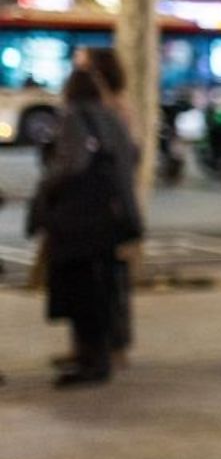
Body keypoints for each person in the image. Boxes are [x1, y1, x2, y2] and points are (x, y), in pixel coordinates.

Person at [26, 67, 140, 388]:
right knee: (102, 288)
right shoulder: (110, 117)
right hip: (109, 219)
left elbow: (70, 165)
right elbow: (132, 154)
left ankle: (90, 360)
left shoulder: (74, 117)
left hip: (79, 224)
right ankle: (99, 354)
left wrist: (48, 187)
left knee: (81, 290)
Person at [71, 46, 136, 368]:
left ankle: (114, 344)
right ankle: (94, 345)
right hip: (101, 204)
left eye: (84, 66)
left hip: (109, 205)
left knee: (110, 277)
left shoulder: (113, 108)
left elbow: (122, 160)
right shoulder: (96, 107)